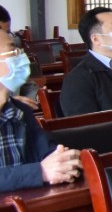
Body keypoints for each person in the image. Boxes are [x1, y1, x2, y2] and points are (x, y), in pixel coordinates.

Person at [0, 29, 80, 193]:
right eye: (13, 50)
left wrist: (63, 161)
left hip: (28, 202)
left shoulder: (20, 110)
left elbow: (48, 152)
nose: (21, 56)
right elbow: (43, 169)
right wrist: (39, 172)